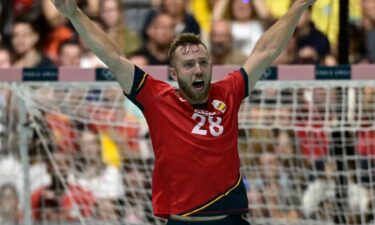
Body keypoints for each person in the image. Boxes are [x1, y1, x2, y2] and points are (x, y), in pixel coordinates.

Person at [51, 0, 316, 224]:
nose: (198, 69)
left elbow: (266, 50)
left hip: (231, 217)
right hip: (182, 219)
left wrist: (299, 5)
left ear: (211, 66)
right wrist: (75, 13)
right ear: (174, 74)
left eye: (203, 62)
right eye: (188, 65)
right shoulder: (157, 98)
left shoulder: (228, 91)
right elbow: (114, 57)